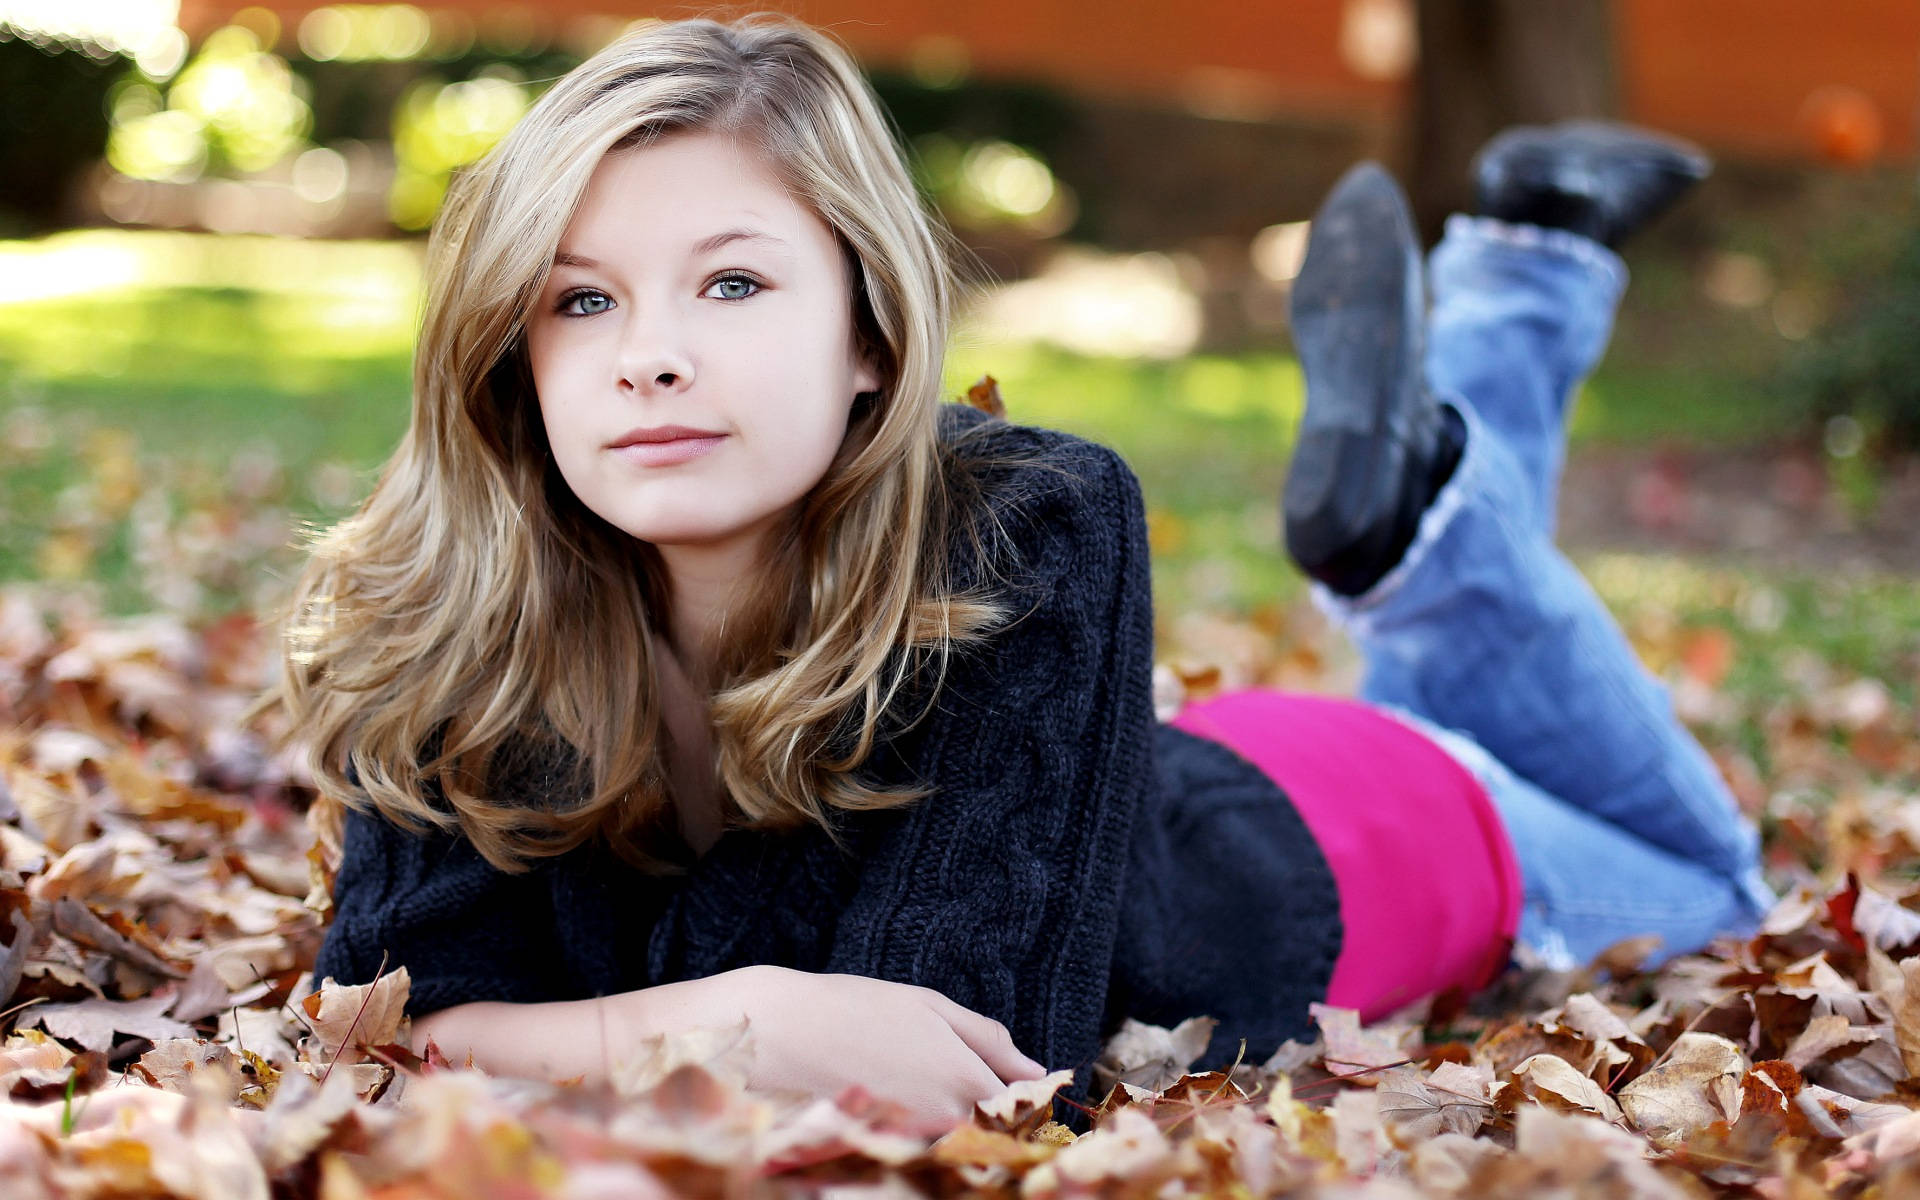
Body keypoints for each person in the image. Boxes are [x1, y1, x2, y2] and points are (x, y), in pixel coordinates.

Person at [251, 14, 1772, 1137]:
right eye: (580, 298)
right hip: (1163, 777)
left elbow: (976, 1066)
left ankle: (1428, 501)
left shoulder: (1027, 521)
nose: (650, 350)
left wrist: (578, 1035)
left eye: (732, 280)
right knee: (1442, 664)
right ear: (517, 362)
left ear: (869, 335)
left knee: (1719, 885)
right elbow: (385, 1024)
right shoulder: (459, 604)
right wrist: (736, 1018)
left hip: (1399, 835)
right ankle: (1518, 278)